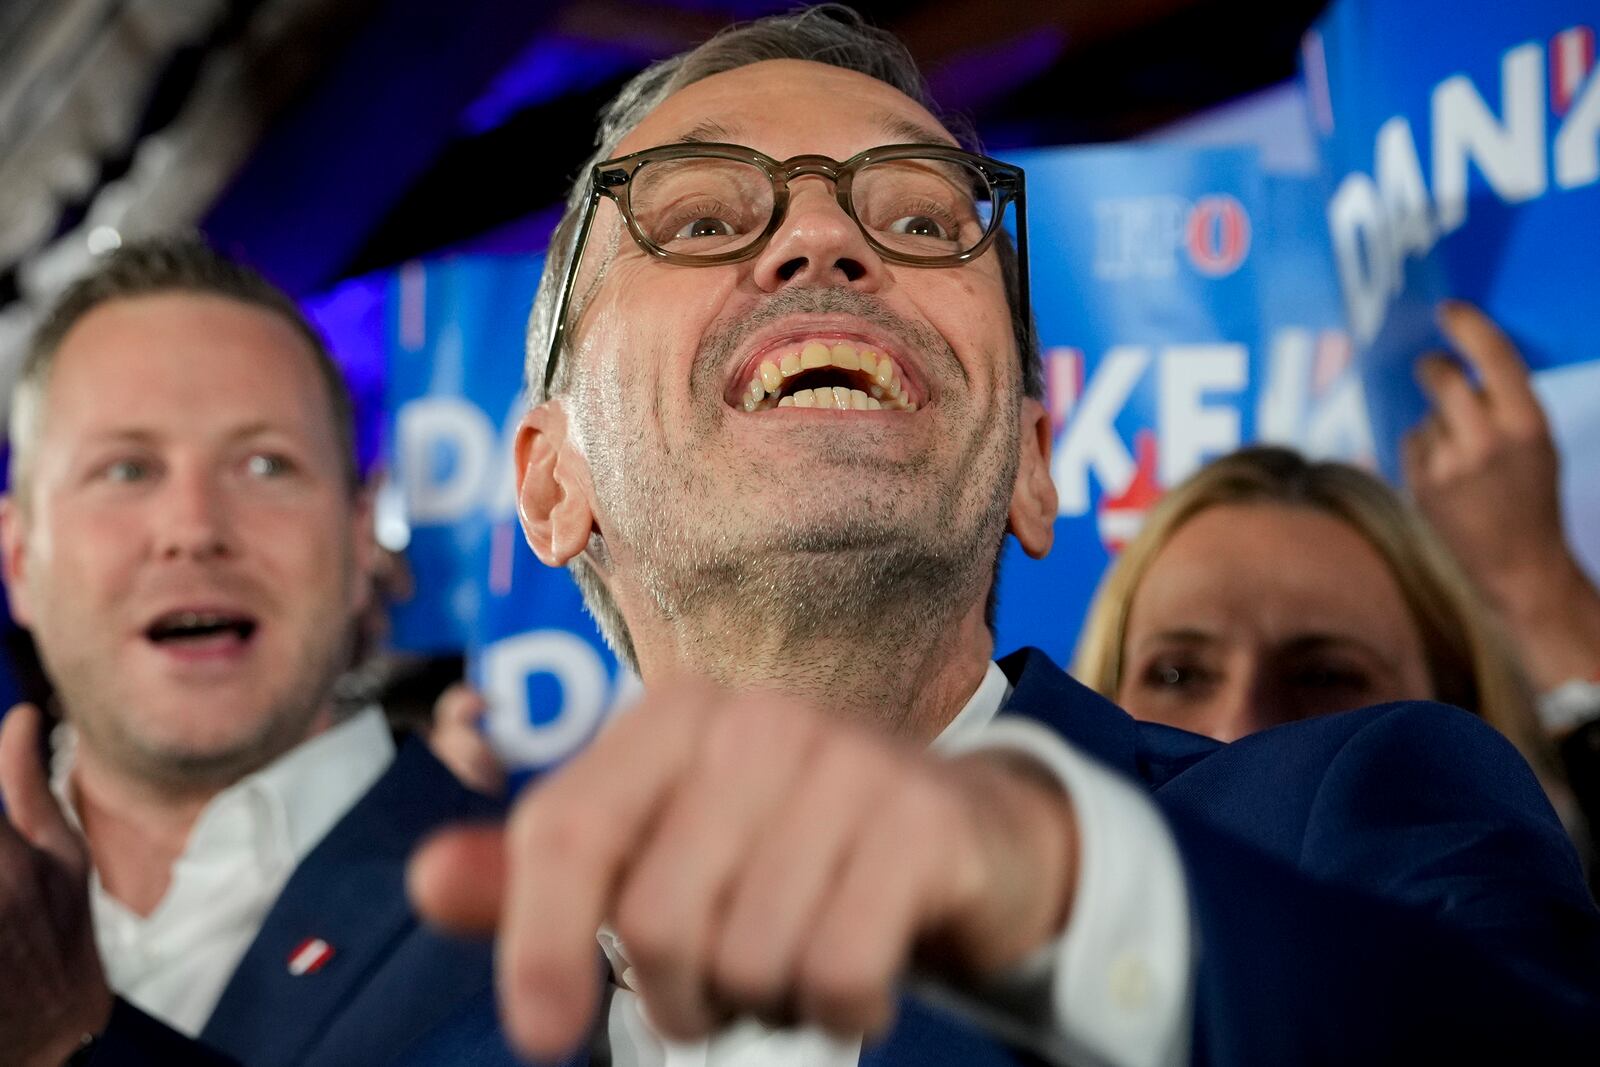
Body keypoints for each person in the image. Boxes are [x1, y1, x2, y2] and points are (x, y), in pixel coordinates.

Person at [393, 6, 1600, 1066]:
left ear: (1029, 462)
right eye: (703, 220)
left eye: (920, 222)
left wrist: (1082, 906)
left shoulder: (1346, 818)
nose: (823, 244)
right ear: (552, 486)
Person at [0, 238, 501, 1067]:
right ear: (18, 556)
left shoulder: (546, 917)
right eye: (126, 470)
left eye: (266, 464)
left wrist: (67, 1041)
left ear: (357, 535)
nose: (194, 529)